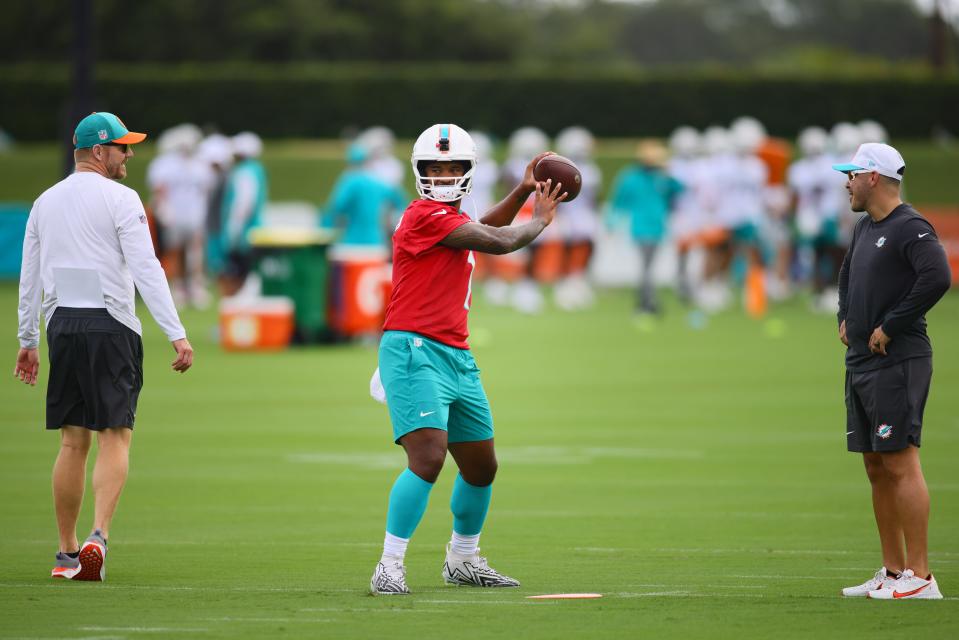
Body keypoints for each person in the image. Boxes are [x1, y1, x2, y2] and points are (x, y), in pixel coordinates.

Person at [368, 124, 566, 595]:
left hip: (455, 352)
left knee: (481, 466)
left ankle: (463, 558)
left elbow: (486, 228)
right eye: (434, 167)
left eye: (453, 167)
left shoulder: (451, 216)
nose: (443, 175)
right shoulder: (422, 214)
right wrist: (539, 220)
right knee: (429, 458)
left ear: (468, 171)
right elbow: (499, 242)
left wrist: (520, 188)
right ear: (419, 172)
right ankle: (389, 564)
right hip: (414, 347)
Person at [14, 112, 193, 581]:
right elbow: (146, 266)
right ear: (99, 151)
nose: (128, 154)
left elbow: (28, 274)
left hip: (62, 326)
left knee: (72, 441)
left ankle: (65, 552)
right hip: (112, 323)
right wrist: (176, 332)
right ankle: (99, 535)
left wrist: (27, 339)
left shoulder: (44, 202)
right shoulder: (122, 198)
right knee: (116, 433)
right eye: (122, 147)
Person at [833, 143, 950, 600]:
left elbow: (937, 277)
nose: (847, 182)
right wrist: (845, 315)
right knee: (875, 464)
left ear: (874, 178)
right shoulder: (865, 226)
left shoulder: (911, 227)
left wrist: (891, 324)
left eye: (853, 174)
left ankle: (920, 576)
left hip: (897, 361)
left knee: (901, 461)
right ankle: (893, 569)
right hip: (861, 361)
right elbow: (847, 275)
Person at [607, 140, 683, 316]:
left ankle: (645, 301)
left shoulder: (662, 177)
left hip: (657, 227)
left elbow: (680, 190)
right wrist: (612, 222)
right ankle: (647, 302)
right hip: (640, 227)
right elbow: (619, 201)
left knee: (647, 266)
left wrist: (668, 173)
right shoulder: (631, 177)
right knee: (647, 266)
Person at [218, 132, 268, 296]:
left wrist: (234, 230)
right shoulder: (256, 169)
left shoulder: (244, 172)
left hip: (244, 234)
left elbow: (243, 204)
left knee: (238, 279)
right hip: (254, 231)